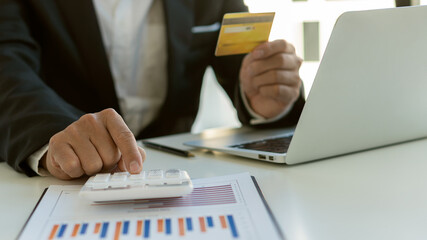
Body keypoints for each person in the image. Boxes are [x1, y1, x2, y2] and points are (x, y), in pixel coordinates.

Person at [0, 0, 305, 179]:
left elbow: (247, 63)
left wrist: (269, 98)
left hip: (178, 177)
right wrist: (54, 138)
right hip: (64, 186)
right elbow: (7, 68)